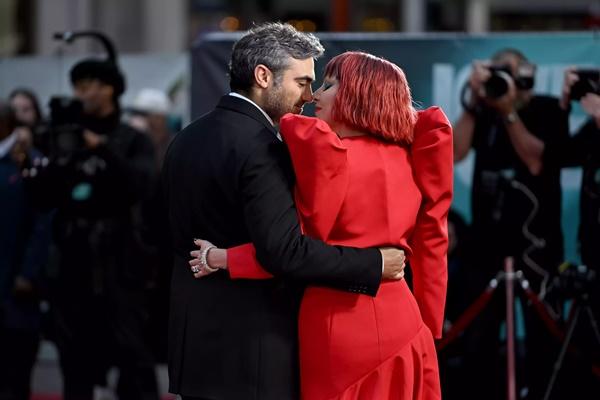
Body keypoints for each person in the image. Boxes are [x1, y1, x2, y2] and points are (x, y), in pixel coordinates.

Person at [161, 24, 406, 400]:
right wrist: (374, 264)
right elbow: (285, 252)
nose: (309, 96)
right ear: (263, 76)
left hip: (193, 353)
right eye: (303, 81)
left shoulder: (185, 139)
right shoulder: (264, 148)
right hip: (256, 356)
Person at [189, 51, 453, 399]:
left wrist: (221, 258)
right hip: (406, 322)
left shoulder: (332, 158)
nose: (315, 96)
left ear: (356, 93)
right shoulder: (409, 156)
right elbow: (433, 244)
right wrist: (430, 325)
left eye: (328, 85)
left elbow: (294, 249)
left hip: (340, 324)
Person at [33, 54, 160, 400]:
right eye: (78, 86)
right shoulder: (63, 136)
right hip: (72, 264)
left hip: (120, 265)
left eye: (89, 85)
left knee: (133, 359)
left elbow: (142, 186)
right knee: (74, 363)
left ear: (109, 90)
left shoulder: (132, 139)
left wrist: (103, 149)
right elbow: (44, 198)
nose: (82, 93)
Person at [453, 48, 570, 399]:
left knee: (543, 340)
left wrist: (509, 113)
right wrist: (475, 102)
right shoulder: (482, 111)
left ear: (527, 76)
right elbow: (454, 153)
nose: (507, 80)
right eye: (499, 72)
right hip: (487, 244)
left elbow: (537, 161)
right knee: (481, 341)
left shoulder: (548, 109)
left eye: (513, 72)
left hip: (538, 246)